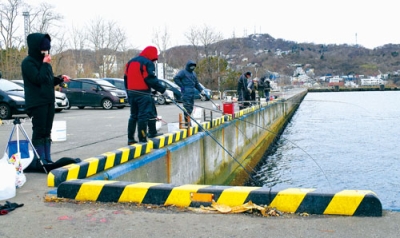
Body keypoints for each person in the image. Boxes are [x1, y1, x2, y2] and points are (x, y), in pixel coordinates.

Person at [21, 33, 70, 170]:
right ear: (36, 48)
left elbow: (48, 80)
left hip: (48, 101)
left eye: (46, 50)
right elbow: (38, 79)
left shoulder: (45, 63)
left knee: (47, 131)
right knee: (39, 130)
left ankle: (47, 159)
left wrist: (60, 79)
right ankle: (39, 160)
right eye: (43, 50)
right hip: (37, 103)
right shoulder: (28, 63)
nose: (45, 52)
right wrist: (44, 64)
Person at [124, 45, 166, 144]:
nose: (154, 60)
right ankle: (142, 139)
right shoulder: (147, 63)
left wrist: (128, 92)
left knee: (133, 116)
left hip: (132, 93)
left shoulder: (130, 62)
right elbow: (150, 79)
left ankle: (130, 139)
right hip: (143, 94)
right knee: (143, 116)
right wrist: (163, 90)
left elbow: (126, 78)